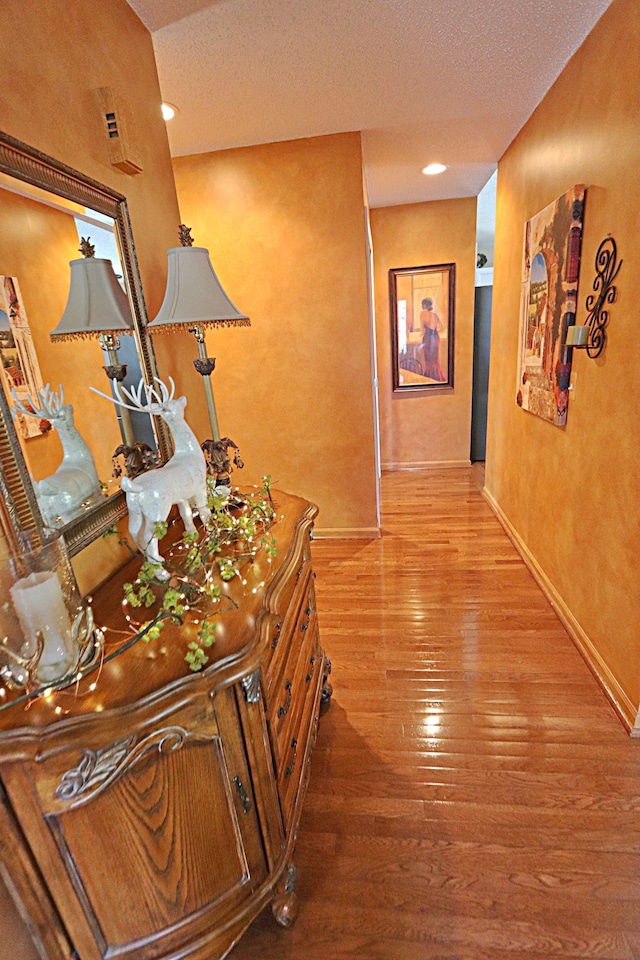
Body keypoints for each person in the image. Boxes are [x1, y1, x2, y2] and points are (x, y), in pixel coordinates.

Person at [419, 298, 446, 381]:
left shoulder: (422, 314)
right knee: (435, 359)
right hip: (435, 337)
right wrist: (434, 332)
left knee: (428, 359)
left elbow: (422, 330)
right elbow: (442, 328)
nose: (422, 306)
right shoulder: (434, 315)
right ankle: (437, 377)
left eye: (423, 304)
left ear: (425, 305)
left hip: (427, 338)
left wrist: (422, 334)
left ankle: (429, 377)